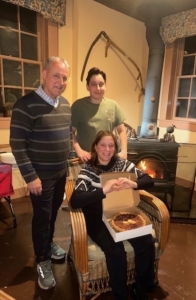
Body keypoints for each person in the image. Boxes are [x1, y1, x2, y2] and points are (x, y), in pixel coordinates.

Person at [69, 130, 157, 300]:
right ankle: (120, 295)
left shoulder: (123, 164)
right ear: (95, 146)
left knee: (146, 242)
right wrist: (104, 190)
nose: (107, 149)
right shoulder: (88, 170)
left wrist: (134, 183)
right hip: (96, 218)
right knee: (116, 252)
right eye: (103, 145)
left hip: (120, 213)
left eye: (111, 145)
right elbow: (75, 201)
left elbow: (149, 180)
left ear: (115, 148)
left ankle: (141, 287)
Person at [10, 56, 71, 290]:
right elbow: (17, 143)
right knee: (42, 219)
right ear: (44, 74)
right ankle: (43, 261)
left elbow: (66, 137)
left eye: (64, 78)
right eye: (56, 75)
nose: (61, 81)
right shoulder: (25, 105)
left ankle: (48, 244)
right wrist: (30, 176)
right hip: (40, 176)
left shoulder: (65, 104)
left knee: (53, 213)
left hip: (60, 173)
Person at [71, 67, 127, 163]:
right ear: (87, 86)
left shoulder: (113, 105)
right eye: (93, 84)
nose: (98, 88)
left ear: (105, 86)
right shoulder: (78, 106)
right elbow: (69, 132)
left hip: (107, 159)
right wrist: (79, 150)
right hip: (85, 160)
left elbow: (121, 130)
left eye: (101, 84)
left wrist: (124, 151)